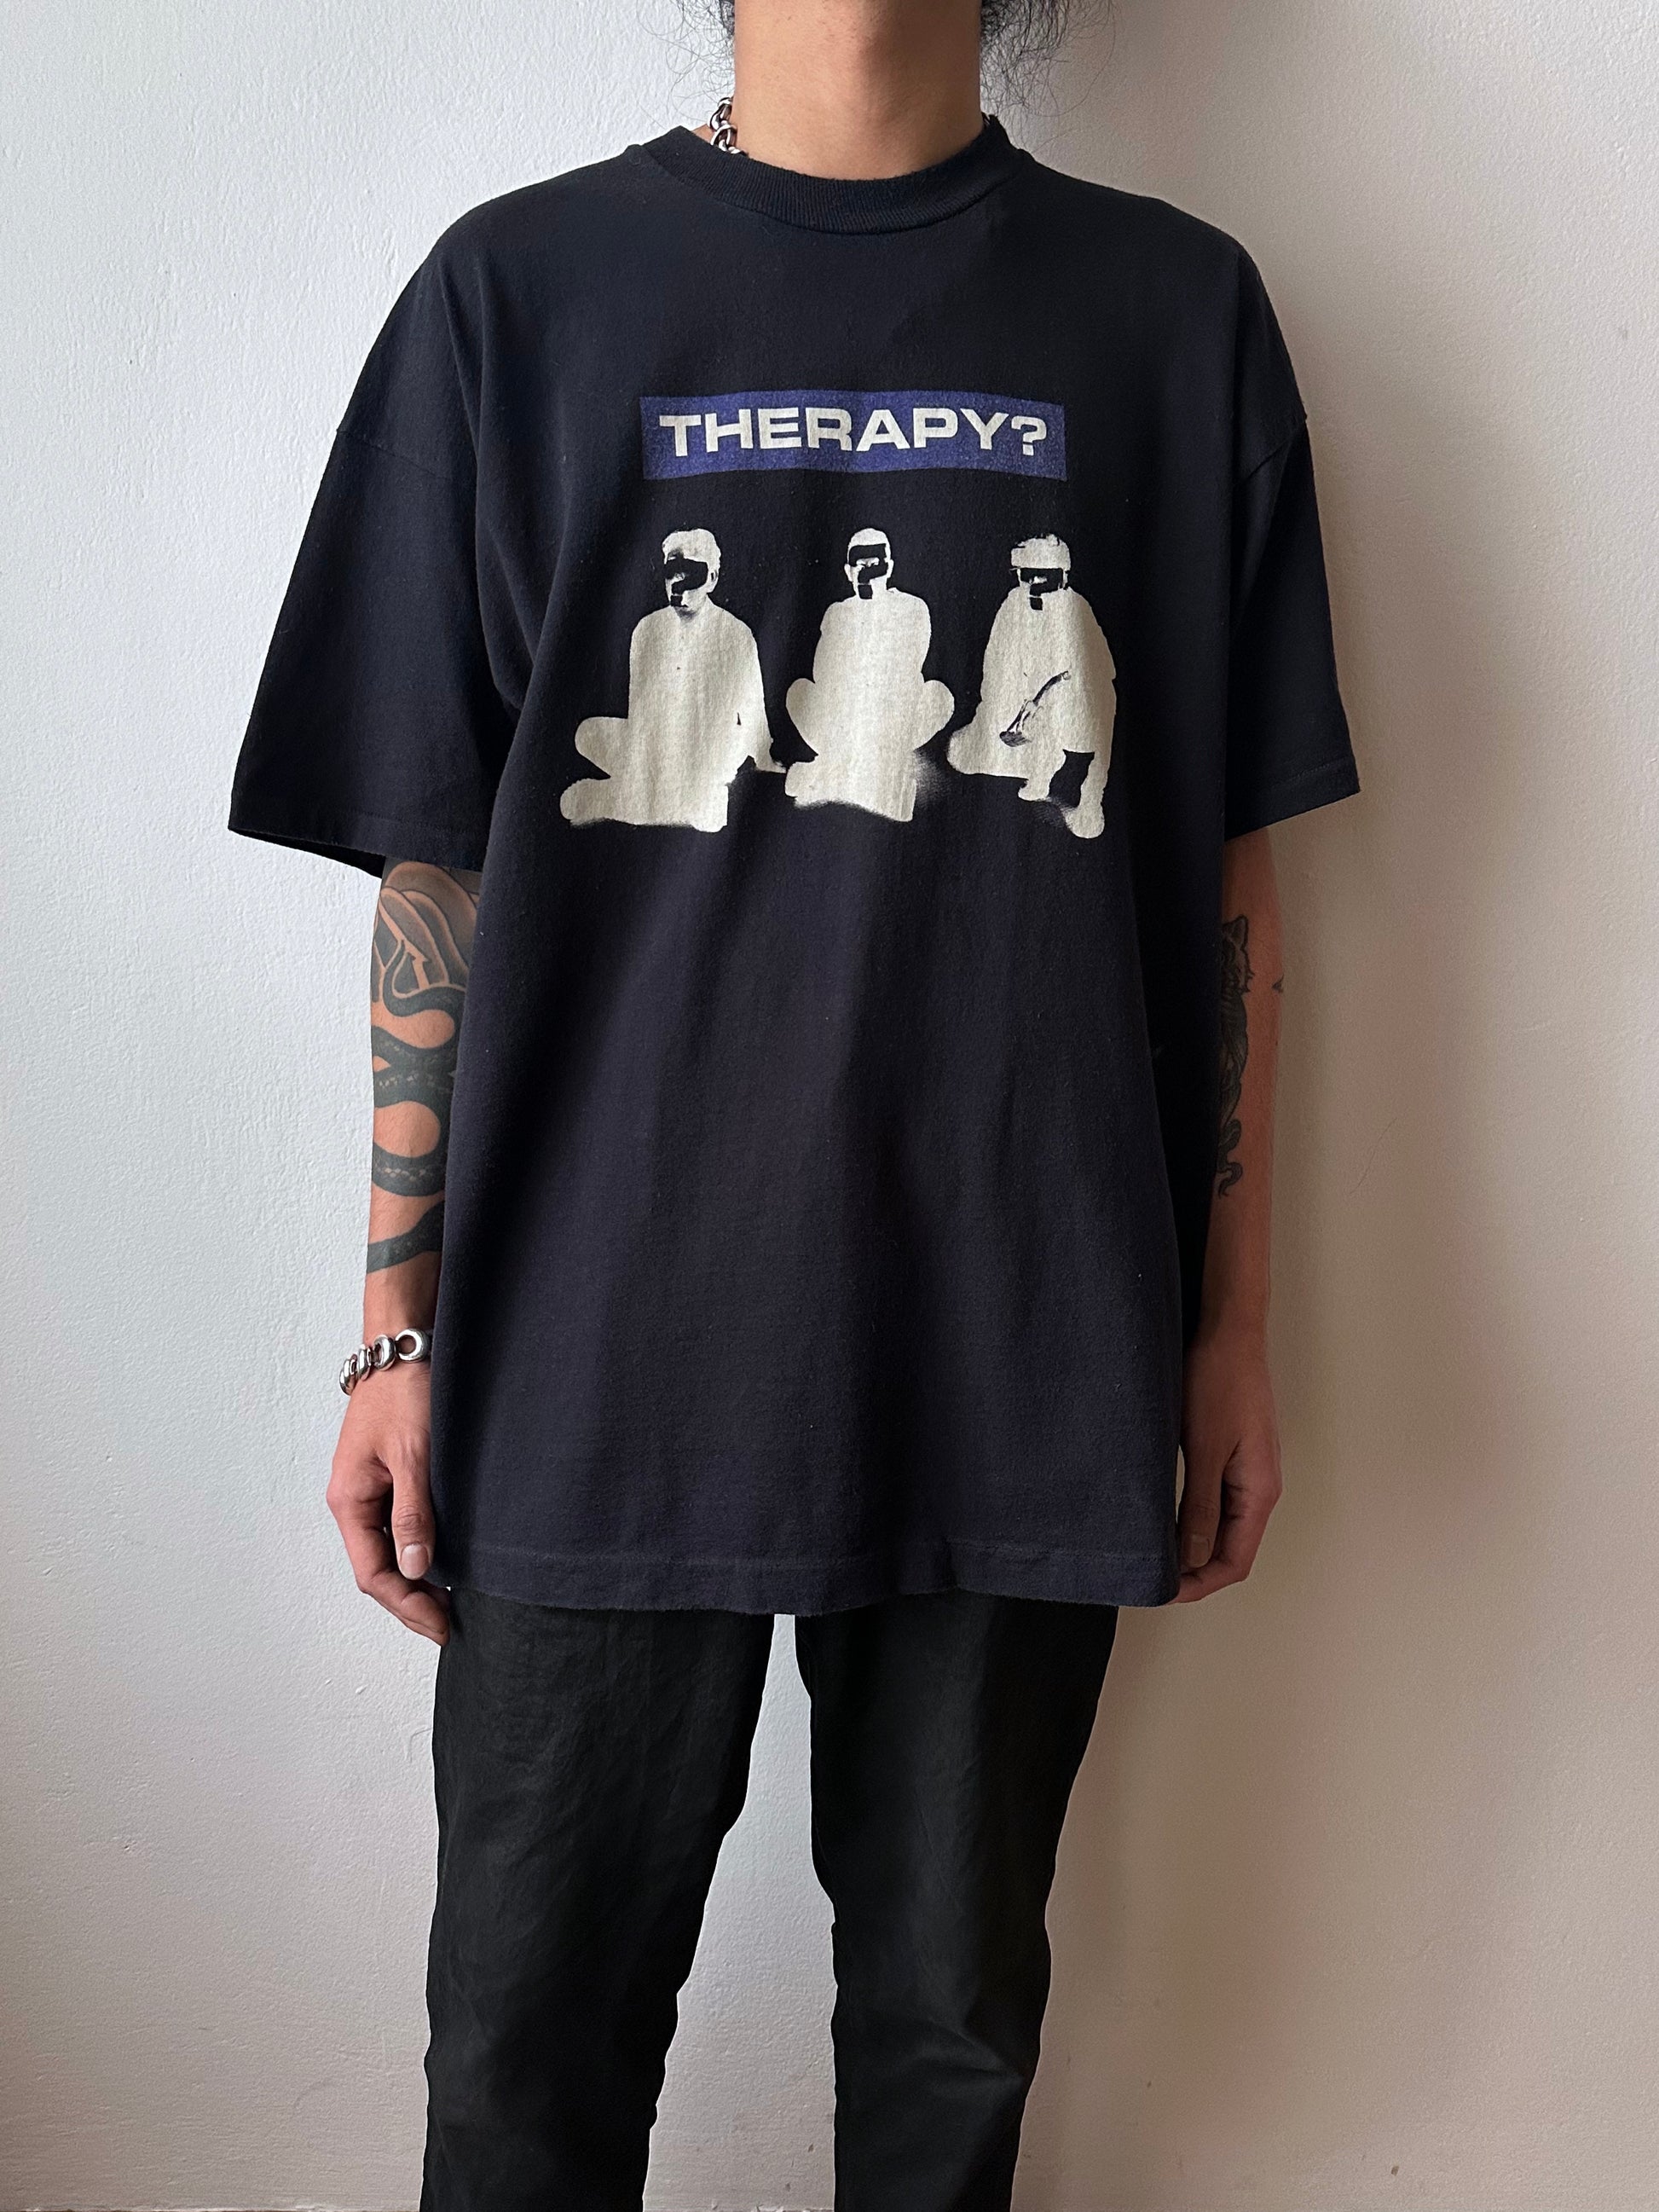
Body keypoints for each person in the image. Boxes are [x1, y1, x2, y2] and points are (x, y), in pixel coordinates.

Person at [228, 0, 1359, 2204]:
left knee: (952, 2041)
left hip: (1021, 1323)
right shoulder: (515, 295)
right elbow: (434, 876)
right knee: (525, 2060)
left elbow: (1226, 870)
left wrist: (1230, 1320)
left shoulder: (1172, 312)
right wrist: (392, 1327)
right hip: (591, 1338)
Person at [563, 524, 778, 830]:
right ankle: (654, 798)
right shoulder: (647, 630)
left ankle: (645, 800)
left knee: (712, 785)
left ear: (712, 578)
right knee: (588, 734)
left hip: (709, 756)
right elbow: (640, 716)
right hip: (659, 752)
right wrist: (646, 765)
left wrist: (763, 759)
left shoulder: (736, 634)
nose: (678, 584)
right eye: (672, 573)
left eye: (691, 573)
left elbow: (754, 715)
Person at [946, 531, 1115, 838]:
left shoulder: (1077, 609)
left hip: (1068, 711)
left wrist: (1051, 697)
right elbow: (994, 665)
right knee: (960, 754)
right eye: (1028, 573)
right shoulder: (1012, 605)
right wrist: (1001, 712)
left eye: (1044, 574)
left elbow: (1102, 673)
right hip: (1021, 713)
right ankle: (1041, 764)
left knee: (1101, 713)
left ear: (1062, 576)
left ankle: (1090, 798)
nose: (1036, 582)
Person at [784, 526, 954, 820]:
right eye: (859, 565)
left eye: (874, 564)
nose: (866, 572)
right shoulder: (837, 613)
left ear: (889, 567)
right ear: (848, 571)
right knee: (799, 691)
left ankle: (842, 770)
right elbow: (823, 676)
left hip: (892, 720)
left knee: (939, 696)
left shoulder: (912, 608)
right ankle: (847, 768)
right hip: (843, 722)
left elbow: (905, 671)